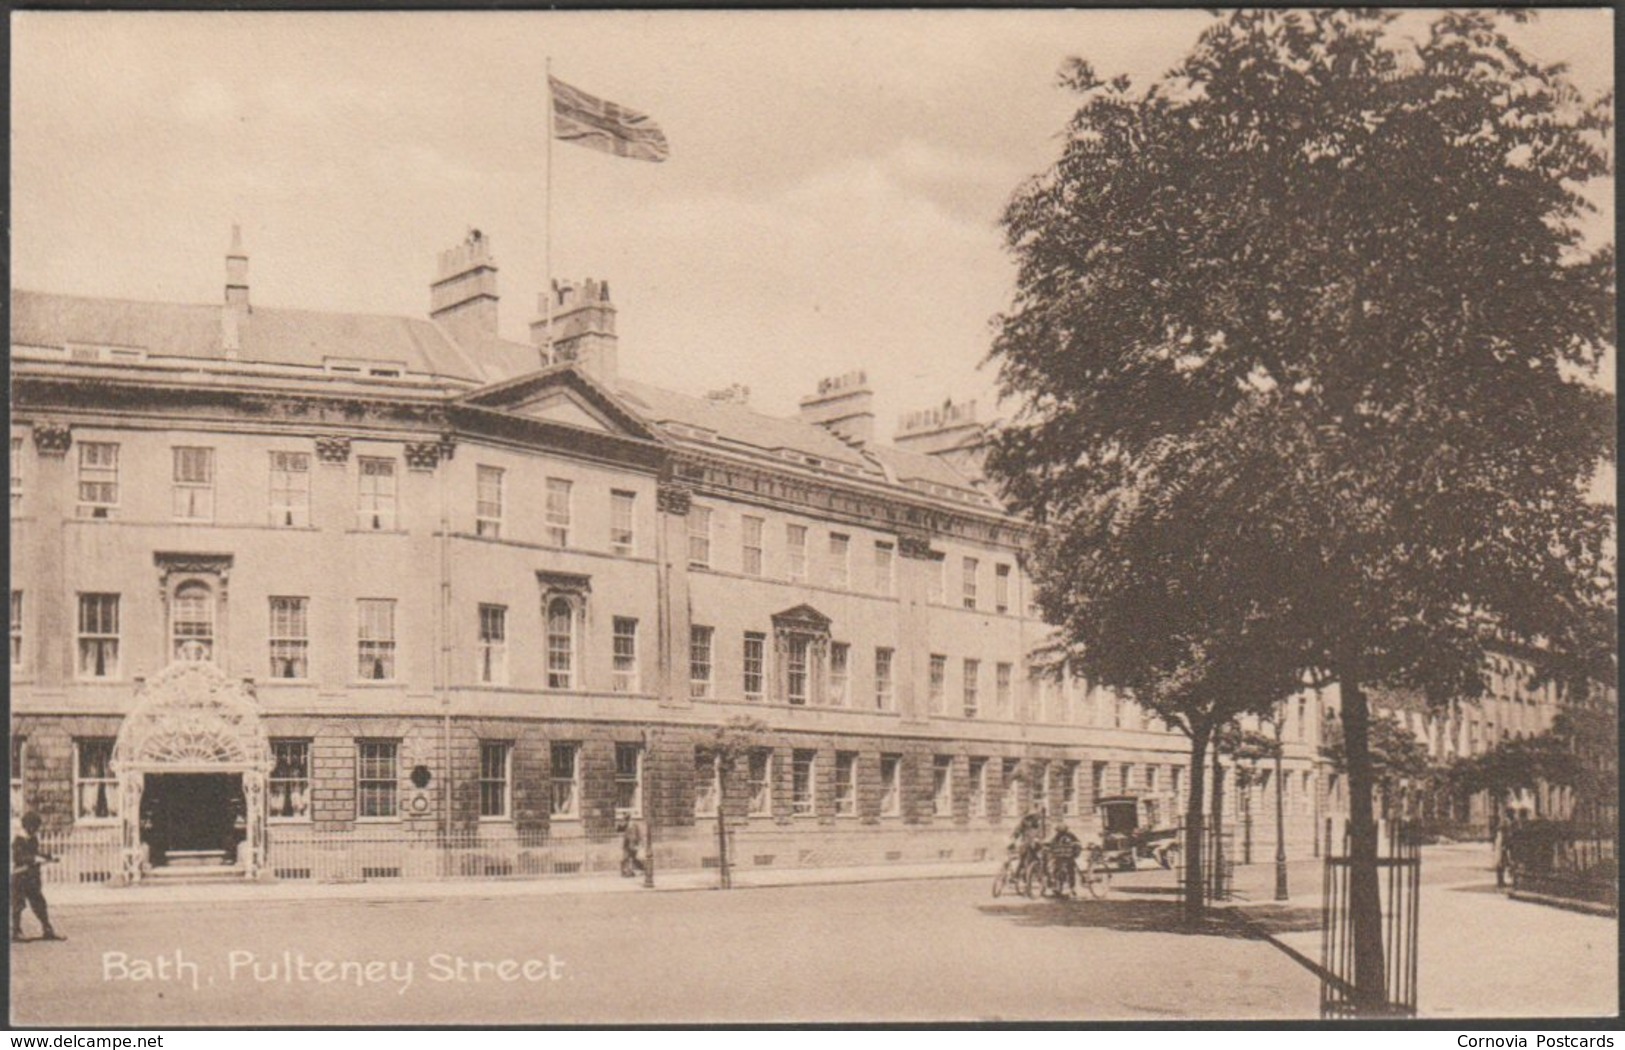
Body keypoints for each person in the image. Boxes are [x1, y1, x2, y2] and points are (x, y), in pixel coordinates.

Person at [11, 812, 62, 942]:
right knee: (18, 904)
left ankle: (47, 929)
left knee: (39, 903)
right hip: (20, 877)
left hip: (32, 877)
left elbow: (36, 853)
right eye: (33, 827)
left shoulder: (33, 839)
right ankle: (16, 931)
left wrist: (48, 857)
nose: (35, 830)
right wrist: (34, 859)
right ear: (27, 826)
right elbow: (18, 857)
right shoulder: (19, 840)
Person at [1046, 822, 1083, 897]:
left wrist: (1074, 846)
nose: (1060, 833)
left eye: (1061, 831)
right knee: (1057, 870)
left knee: (1070, 871)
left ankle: (1072, 888)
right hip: (1060, 856)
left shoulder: (1070, 835)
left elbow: (1077, 842)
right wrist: (1049, 845)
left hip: (1069, 855)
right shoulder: (1057, 836)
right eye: (1059, 831)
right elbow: (1052, 842)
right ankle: (1059, 887)